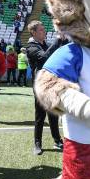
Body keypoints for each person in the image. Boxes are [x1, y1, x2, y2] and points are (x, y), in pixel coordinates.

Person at [25, 20, 64, 155]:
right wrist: (57, 41)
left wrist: (63, 39)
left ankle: (57, 140)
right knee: (40, 115)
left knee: (53, 113)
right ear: (33, 32)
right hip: (40, 85)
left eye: (43, 29)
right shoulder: (31, 47)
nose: (44, 31)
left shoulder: (45, 44)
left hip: (51, 83)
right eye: (41, 30)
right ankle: (37, 143)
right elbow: (43, 58)